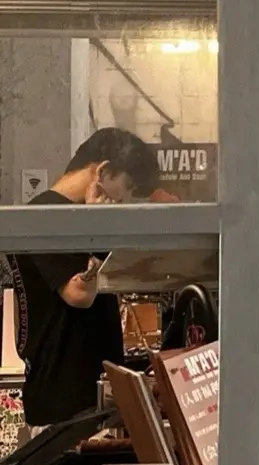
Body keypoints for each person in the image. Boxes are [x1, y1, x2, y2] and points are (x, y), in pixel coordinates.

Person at [13, 129, 160, 427]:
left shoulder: (69, 216)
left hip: (84, 396)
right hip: (63, 399)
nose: (126, 199)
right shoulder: (46, 215)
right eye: (128, 187)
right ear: (103, 172)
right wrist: (99, 232)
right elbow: (79, 294)